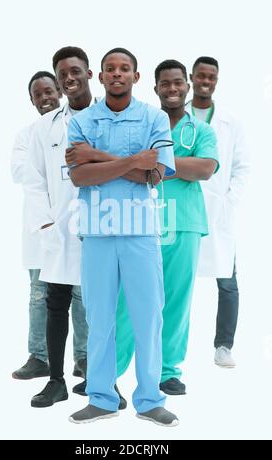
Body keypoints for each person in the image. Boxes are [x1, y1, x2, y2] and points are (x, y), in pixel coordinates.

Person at [66, 48, 179, 426]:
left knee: (148, 317)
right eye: (110, 69)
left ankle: (149, 400)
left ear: (136, 76)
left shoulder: (153, 117)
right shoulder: (83, 120)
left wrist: (96, 158)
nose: (117, 74)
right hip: (97, 234)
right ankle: (101, 397)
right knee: (99, 318)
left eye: (124, 69)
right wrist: (133, 160)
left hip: (140, 233)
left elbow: (157, 174)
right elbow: (79, 176)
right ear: (100, 77)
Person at [114, 59, 219, 395]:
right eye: (165, 84)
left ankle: (168, 370)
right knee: (128, 298)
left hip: (184, 222)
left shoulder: (201, 131)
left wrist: (157, 163)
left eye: (178, 83)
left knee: (175, 299)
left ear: (187, 85)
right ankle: (110, 369)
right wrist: (171, 164)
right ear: (155, 87)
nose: (172, 89)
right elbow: (125, 165)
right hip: (140, 220)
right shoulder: (142, 126)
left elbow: (205, 168)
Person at [24, 47, 94, 408]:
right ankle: (56, 381)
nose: (69, 78)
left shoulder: (109, 116)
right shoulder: (45, 127)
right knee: (56, 304)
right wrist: (47, 220)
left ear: (89, 73)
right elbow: (34, 179)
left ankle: (100, 379)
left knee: (100, 306)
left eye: (75, 71)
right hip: (61, 229)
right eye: (62, 73)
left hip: (102, 226)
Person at [187, 56, 250, 367]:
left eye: (211, 77)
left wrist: (230, 201)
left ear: (217, 80)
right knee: (175, 279)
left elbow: (241, 166)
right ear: (191, 77)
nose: (205, 81)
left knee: (227, 280)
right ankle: (171, 341)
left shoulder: (229, 121)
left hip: (218, 211)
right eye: (201, 75)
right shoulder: (175, 114)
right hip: (184, 208)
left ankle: (223, 345)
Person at [11, 71, 62, 379]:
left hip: (73, 226)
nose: (45, 98)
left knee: (80, 295)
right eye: (38, 95)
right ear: (32, 101)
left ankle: (82, 357)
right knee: (39, 294)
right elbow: (19, 172)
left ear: (59, 90)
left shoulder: (76, 125)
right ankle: (38, 356)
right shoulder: (26, 134)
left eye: (49, 91)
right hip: (39, 231)